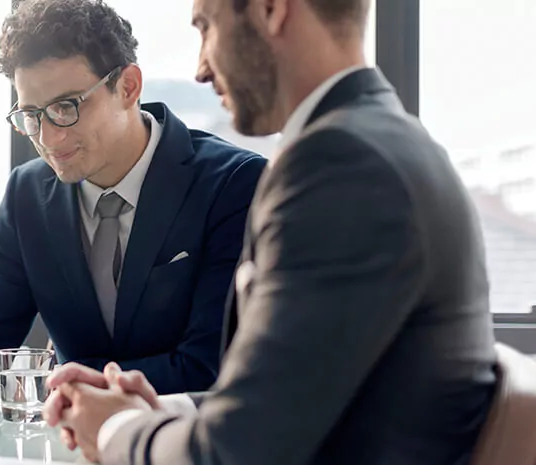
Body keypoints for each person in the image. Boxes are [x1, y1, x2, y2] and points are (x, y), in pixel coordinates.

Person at [44, 0, 498, 463]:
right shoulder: (380, 142)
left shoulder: (341, 166)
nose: (201, 68)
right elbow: (290, 397)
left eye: (206, 27)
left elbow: (241, 451)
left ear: (271, 9)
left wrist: (115, 429)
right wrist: (156, 408)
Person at [0, 0, 265, 412]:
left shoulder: (234, 184)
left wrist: (68, 385)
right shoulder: (27, 194)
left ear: (128, 87)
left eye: (66, 108)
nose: (48, 139)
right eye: (31, 115)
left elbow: (211, 367)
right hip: (68, 446)